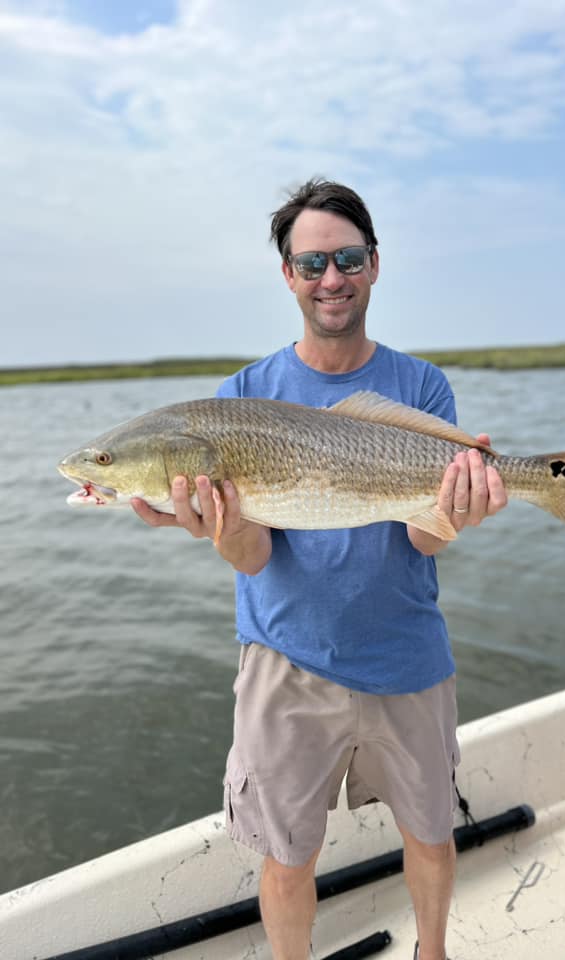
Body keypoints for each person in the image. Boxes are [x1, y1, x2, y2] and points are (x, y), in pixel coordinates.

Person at [131, 178, 507, 960]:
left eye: (346, 259)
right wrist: (219, 531)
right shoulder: (241, 399)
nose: (330, 278)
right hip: (287, 663)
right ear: (288, 275)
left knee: (432, 838)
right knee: (286, 854)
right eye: (312, 264)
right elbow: (256, 555)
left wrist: (459, 512)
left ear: (373, 264)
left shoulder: (421, 386)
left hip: (407, 655)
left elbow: (425, 542)